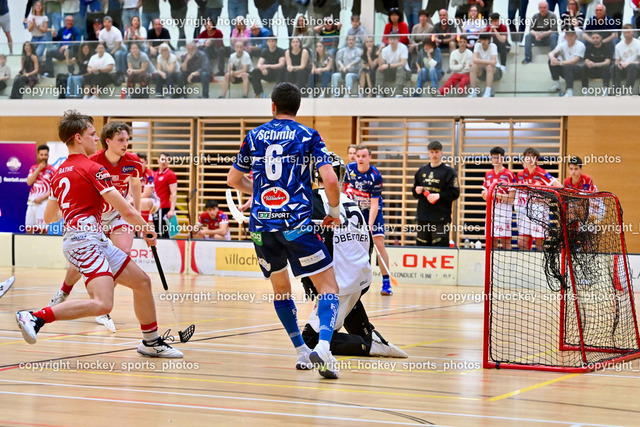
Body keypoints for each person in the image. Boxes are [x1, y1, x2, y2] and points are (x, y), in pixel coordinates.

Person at [17, 111, 182, 359]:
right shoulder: (94, 168)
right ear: (78, 138)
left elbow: (50, 217)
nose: (96, 138)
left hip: (91, 239)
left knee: (142, 282)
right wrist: (146, 228)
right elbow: (126, 210)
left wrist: (74, 207)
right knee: (103, 304)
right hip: (84, 242)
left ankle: (151, 342)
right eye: (92, 134)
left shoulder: (59, 173)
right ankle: (35, 316)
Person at [226, 81, 342, 379]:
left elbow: (233, 179)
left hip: (262, 225)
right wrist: (333, 212)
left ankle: (301, 351)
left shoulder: (254, 136)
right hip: (296, 224)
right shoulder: (308, 135)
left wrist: (259, 193)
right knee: (329, 288)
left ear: (273, 106)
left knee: (280, 291)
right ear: (298, 107)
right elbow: (330, 179)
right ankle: (324, 347)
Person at [301, 152, 407, 359]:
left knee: (310, 341)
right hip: (361, 276)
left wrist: (310, 280)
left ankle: (367, 345)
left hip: (339, 283)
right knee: (349, 303)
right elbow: (368, 242)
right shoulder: (350, 202)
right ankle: (371, 336)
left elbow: (316, 243)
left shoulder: (313, 201)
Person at [49, 121, 144, 333]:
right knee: (86, 258)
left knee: (122, 254)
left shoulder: (133, 161)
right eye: (121, 140)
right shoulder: (92, 161)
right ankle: (64, 291)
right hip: (95, 216)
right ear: (107, 141)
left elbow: (136, 184)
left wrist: (136, 215)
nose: (125, 144)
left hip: (119, 213)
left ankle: (102, 306)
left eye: (127, 140)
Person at [343, 145, 392, 296]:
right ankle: (351, 281)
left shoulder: (375, 175)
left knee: (378, 244)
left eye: (364, 156)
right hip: (354, 211)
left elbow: (375, 204)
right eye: (358, 156)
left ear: (370, 157)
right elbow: (343, 189)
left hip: (372, 212)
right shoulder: (349, 169)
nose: (360, 159)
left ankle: (386, 282)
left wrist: (369, 226)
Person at [412, 140, 460, 247]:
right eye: (432, 152)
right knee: (421, 246)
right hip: (423, 216)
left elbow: (455, 192)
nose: (434, 155)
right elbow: (414, 192)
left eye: (437, 152)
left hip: (441, 217)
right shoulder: (421, 171)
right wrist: (417, 191)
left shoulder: (449, 172)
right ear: (428, 153)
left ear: (441, 153)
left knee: (440, 246)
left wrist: (439, 195)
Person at [515, 147, 562, 251]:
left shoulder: (542, 173)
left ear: (536, 159)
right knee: (521, 242)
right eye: (527, 157)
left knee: (539, 243)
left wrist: (547, 199)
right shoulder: (520, 175)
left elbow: (559, 187)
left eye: (532, 157)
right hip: (525, 210)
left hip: (540, 210)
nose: (529, 159)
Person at [481, 147, 516, 250]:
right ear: (491, 158)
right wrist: (485, 194)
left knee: (506, 241)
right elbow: (484, 193)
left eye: (499, 157)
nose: (497, 160)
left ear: (503, 158)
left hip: (504, 212)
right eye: (494, 157)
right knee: (491, 241)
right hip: (491, 211)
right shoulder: (488, 174)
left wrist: (494, 194)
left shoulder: (509, 175)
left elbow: (512, 198)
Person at [25, 145, 56, 234]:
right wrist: (39, 169)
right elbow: (29, 182)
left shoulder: (53, 170)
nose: (43, 157)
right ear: (38, 155)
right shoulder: (33, 168)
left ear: (48, 155)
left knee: (42, 230)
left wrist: (41, 198)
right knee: (28, 229)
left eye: (45, 155)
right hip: (31, 203)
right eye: (41, 155)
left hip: (43, 204)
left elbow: (54, 189)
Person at [547, 30, 584, 96]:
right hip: (566, 70)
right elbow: (551, 53)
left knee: (568, 66)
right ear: (565, 37)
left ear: (575, 36)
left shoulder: (580, 45)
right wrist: (552, 58)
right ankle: (557, 84)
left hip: (578, 71)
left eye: (572, 35)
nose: (570, 37)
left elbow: (574, 60)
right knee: (551, 61)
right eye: (568, 35)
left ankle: (569, 91)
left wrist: (559, 63)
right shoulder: (563, 44)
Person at [469, 33, 503, 98]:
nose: (483, 41)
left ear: (489, 40)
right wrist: (488, 62)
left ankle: (488, 92)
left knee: (489, 67)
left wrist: (478, 62)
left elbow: (494, 63)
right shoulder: (477, 45)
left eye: (485, 40)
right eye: (482, 39)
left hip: (496, 71)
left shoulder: (493, 46)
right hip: (483, 71)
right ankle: (473, 92)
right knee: (473, 67)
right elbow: (474, 60)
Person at [154, 152, 178, 238]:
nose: (164, 162)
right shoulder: (155, 174)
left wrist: (172, 210)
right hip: (155, 208)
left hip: (164, 208)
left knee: (163, 234)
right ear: (158, 160)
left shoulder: (170, 174)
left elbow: (174, 193)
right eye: (162, 159)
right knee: (156, 232)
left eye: (167, 160)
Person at [612, 25, 640, 94]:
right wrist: (619, 64)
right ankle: (617, 91)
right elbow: (616, 61)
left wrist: (628, 63)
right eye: (624, 33)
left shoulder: (638, 43)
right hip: (623, 68)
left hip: (636, 67)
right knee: (614, 67)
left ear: (633, 32)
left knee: (631, 66)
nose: (626, 34)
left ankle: (628, 91)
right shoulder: (618, 46)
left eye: (628, 32)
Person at [99, 15, 127, 82]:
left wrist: (111, 52)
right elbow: (101, 44)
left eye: (109, 22)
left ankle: (119, 72)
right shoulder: (102, 32)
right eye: (105, 22)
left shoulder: (116, 31)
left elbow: (118, 45)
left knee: (117, 54)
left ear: (111, 23)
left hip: (120, 48)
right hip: (109, 48)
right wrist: (101, 51)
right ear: (103, 23)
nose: (107, 24)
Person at [137, 152, 160, 224]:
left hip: (153, 200)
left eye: (142, 162)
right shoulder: (132, 173)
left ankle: (143, 227)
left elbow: (146, 194)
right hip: (137, 199)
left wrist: (132, 200)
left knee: (144, 202)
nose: (140, 165)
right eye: (138, 163)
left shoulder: (150, 174)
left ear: (146, 162)